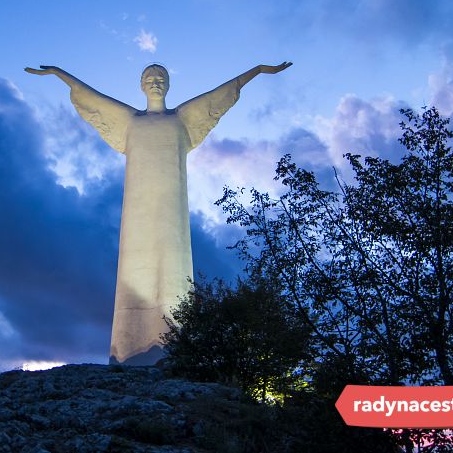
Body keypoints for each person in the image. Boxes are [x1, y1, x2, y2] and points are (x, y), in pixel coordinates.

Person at [25, 61, 292, 364]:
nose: (155, 82)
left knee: (172, 274)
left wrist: (255, 71)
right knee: (135, 273)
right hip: (136, 214)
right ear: (141, 85)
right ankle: (129, 352)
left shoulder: (181, 120)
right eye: (149, 78)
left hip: (172, 214)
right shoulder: (130, 121)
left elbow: (220, 94)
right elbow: (91, 96)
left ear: (169, 84)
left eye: (161, 78)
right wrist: (59, 73)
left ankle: (177, 352)